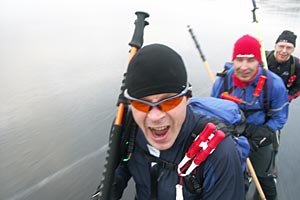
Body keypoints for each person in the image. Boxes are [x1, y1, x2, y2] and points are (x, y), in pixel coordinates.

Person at [111, 44, 245, 199]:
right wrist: (112, 186)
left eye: (169, 101)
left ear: (187, 99)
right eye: (141, 103)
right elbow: (124, 161)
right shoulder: (127, 126)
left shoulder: (220, 152)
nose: (155, 116)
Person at [211, 34, 289, 200]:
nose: (244, 67)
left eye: (250, 60)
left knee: (264, 180)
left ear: (259, 62)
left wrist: (265, 132)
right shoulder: (222, 83)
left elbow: (280, 116)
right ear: (233, 60)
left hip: (259, 138)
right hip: (231, 138)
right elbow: (211, 113)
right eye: (239, 60)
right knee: (233, 181)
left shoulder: (274, 85)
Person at [266, 30, 300, 102]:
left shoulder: (297, 65)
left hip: (280, 101)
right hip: (259, 100)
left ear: (293, 49)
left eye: (288, 48)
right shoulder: (263, 57)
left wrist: (287, 98)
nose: (284, 51)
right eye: (281, 46)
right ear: (275, 46)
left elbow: (298, 87)